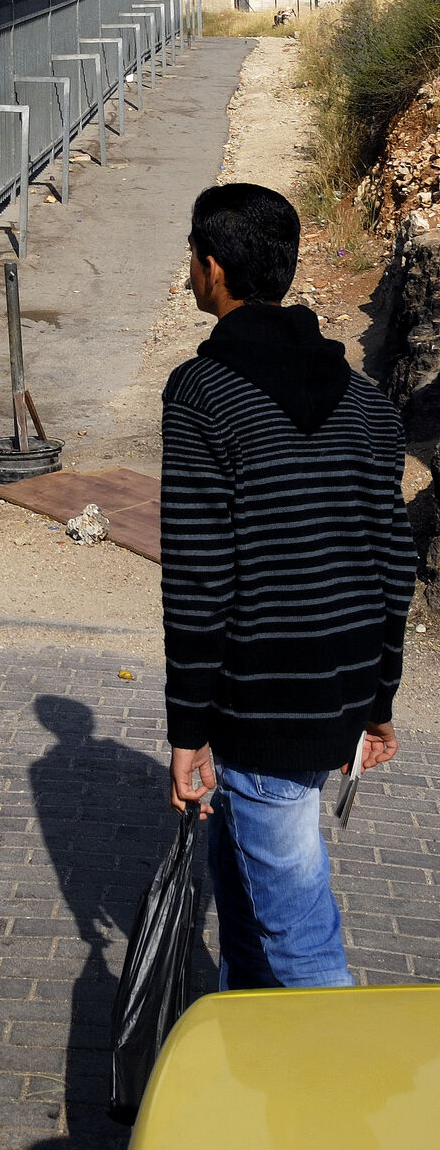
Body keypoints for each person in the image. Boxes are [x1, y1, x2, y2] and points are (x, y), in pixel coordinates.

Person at [162, 181, 416, 988]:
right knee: (240, 886)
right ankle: (252, 1056)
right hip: (338, 686)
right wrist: (377, 703)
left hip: (258, 698)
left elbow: (200, 577)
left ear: (210, 268)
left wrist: (186, 731)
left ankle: (338, 1096)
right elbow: (390, 564)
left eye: (192, 261)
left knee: (300, 931)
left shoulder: (202, 393)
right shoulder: (370, 405)